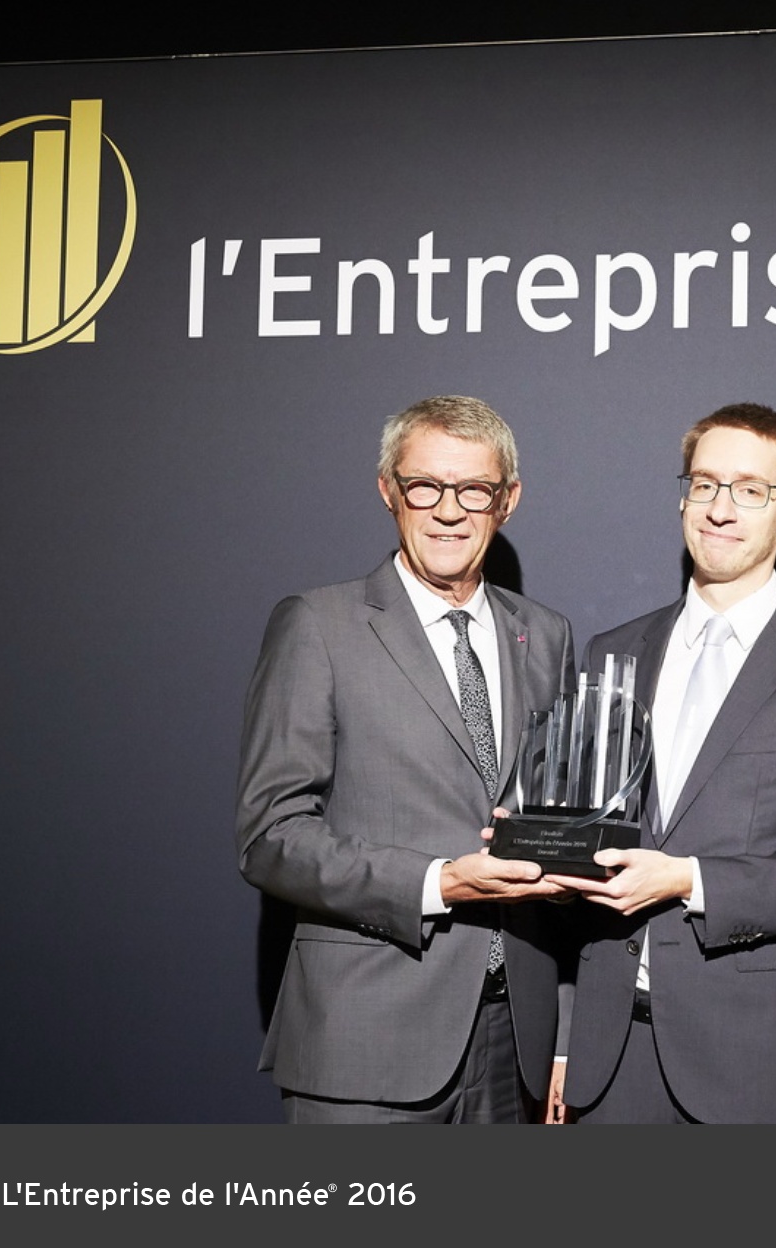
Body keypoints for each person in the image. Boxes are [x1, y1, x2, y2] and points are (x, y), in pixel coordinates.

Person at [548, 402, 776, 1123]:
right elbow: (584, 852)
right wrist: (563, 1039)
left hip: (757, 1066)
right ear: (683, 497)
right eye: (705, 484)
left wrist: (692, 879)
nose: (720, 508)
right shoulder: (611, 653)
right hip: (608, 1065)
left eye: (750, 489)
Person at [236, 395, 574, 1123]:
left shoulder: (546, 635)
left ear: (508, 500)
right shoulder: (319, 624)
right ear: (389, 490)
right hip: (366, 1037)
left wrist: (567, 1036)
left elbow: (561, 829)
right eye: (425, 486)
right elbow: (271, 839)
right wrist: (437, 882)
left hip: (513, 1042)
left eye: (474, 489)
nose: (448, 511)